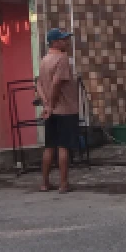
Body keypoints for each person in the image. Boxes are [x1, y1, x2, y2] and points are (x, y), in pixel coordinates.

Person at [36, 28, 79, 193]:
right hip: (64, 110)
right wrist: (52, 105)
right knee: (63, 147)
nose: (66, 42)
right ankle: (63, 184)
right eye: (63, 39)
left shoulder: (44, 60)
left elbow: (39, 84)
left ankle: (45, 183)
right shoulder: (62, 59)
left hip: (50, 111)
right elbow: (56, 83)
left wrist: (46, 105)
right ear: (55, 42)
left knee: (49, 146)